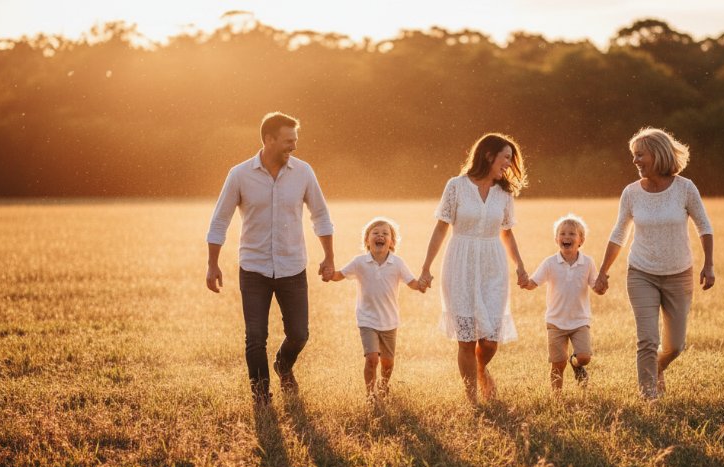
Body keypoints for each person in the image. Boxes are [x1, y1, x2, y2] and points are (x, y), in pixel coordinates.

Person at [206, 112, 335, 405]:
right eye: (289, 140)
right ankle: (261, 397)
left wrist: (329, 257)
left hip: (292, 267)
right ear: (269, 139)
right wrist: (212, 264)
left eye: (296, 140)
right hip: (254, 269)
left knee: (299, 334)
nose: (294, 146)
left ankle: (283, 365)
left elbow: (321, 216)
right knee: (255, 337)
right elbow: (219, 221)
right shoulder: (239, 175)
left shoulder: (304, 173)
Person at [594, 127, 714, 400]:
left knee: (675, 345)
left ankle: (657, 367)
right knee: (647, 340)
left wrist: (709, 265)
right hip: (641, 273)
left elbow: (704, 226)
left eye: (640, 155)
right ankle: (648, 395)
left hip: (679, 274)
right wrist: (603, 271)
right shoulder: (631, 193)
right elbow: (619, 233)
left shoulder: (685, 189)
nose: (635, 161)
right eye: (633, 155)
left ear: (658, 154)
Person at [418, 133, 529, 404]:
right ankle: (472, 400)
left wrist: (521, 268)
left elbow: (508, 233)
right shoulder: (456, 186)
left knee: (490, 339)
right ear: (488, 155)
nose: (508, 164)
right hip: (460, 263)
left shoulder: (504, 193)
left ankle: (480, 369)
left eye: (511, 160)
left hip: (493, 264)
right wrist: (426, 267)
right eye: (505, 158)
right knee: (466, 341)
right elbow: (441, 227)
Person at [329, 217, 423, 400]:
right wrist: (328, 273)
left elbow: (412, 282)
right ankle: (370, 395)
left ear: (392, 242)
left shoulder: (397, 263)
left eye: (385, 234)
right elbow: (339, 275)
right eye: (375, 233)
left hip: (389, 320)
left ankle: (383, 386)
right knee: (372, 358)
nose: (380, 236)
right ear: (367, 240)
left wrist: (421, 284)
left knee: (388, 362)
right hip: (367, 319)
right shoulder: (359, 262)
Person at [523, 214, 599, 392]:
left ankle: (575, 363)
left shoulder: (587, 263)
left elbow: (596, 286)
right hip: (555, 321)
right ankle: (556, 397)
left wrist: (602, 286)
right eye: (562, 233)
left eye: (572, 234)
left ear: (581, 240)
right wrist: (526, 283)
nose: (567, 237)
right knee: (557, 363)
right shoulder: (550, 263)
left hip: (580, 320)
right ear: (556, 239)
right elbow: (534, 282)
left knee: (584, 356)